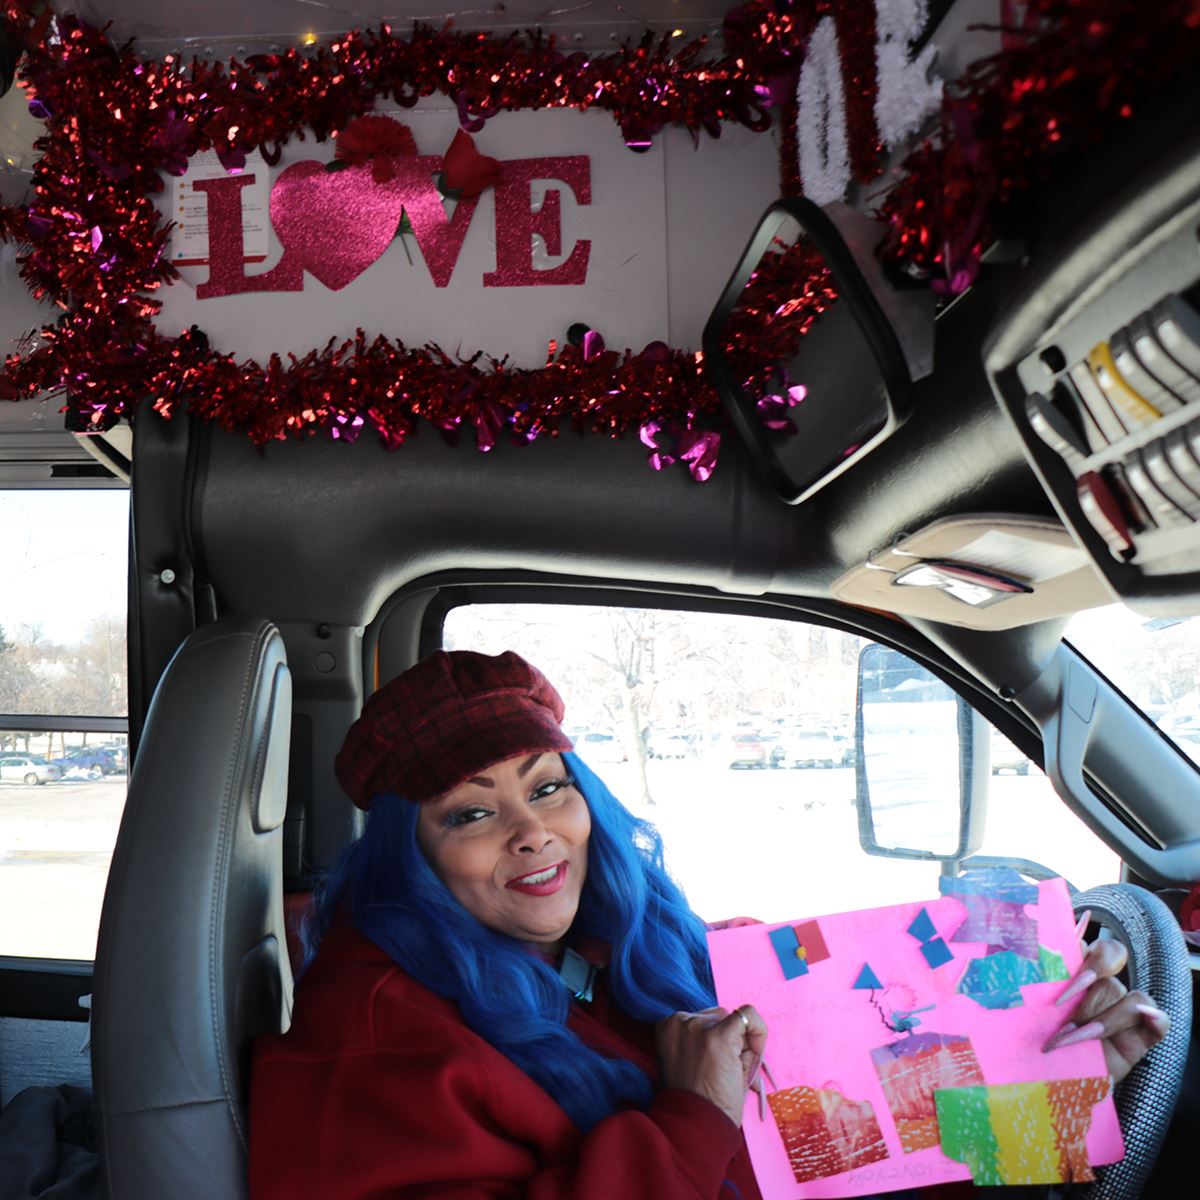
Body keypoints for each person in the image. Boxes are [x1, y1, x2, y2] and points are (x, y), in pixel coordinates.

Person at [248, 650, 1170, 1200]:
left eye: (547, 787)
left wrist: (1045, 1079)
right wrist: (688, 1117)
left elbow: (835, 1146)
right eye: (470, 812)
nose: (533, 832)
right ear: (410, 855)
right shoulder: (371, 1036)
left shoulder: (632, 948)